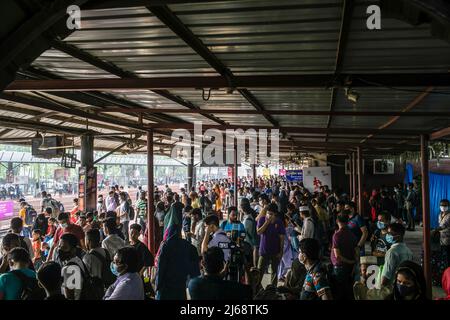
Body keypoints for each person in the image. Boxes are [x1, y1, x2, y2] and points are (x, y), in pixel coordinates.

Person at [188, 247, 252, 300]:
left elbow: (212, 282)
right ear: (222, 265)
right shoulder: (233, 287)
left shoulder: (193, 284)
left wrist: (223, 273)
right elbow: (249, 291)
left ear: (202, 263)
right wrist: (246, 268)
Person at [155, 225, 200, 300]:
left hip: (166, 287)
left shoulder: (166, 245)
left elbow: (160, 268)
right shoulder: (190, 247)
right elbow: (195, 271)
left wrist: (157, 285)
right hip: (181, 286)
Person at [256, 203, 285, 286]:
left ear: (275, 214)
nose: (269, 215)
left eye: (271, 214)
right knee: (259, 271)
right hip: (263, 251)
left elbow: (282, 238)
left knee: (274, 272)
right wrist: (267, 222)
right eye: (268, 213)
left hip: (275, 251)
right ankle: (257, 288)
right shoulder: (262, 219)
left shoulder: (279, 222)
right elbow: (259, 232)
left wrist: (281, 251)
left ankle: (273, 290)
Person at [331, 214, 358, 300]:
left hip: (340, 267)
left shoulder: (337, 235)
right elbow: (355, 250)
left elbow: (338, 256)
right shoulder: (352, 234)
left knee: (340, 291)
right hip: (348, 266)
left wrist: (351, 262)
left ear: (337, 221)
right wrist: (353, 263)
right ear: (348, 222)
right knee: (347, 289)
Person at [58, 233, 88, 300]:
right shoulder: (78, 260)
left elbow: (70, 297)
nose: (60, 250)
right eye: (59, 247)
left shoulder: (69, 269)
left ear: (74, 249)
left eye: (65, 248)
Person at [436, 199, 450, 267]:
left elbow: (443, 226)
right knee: (443, 255)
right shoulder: (439, 215)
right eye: (442, 205)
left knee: (448, 255)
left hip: (448, 239)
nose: (443, 207)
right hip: (441, 239)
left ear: (448, 206)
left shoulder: (449, 215)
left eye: (445, 205)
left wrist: (435, 230)